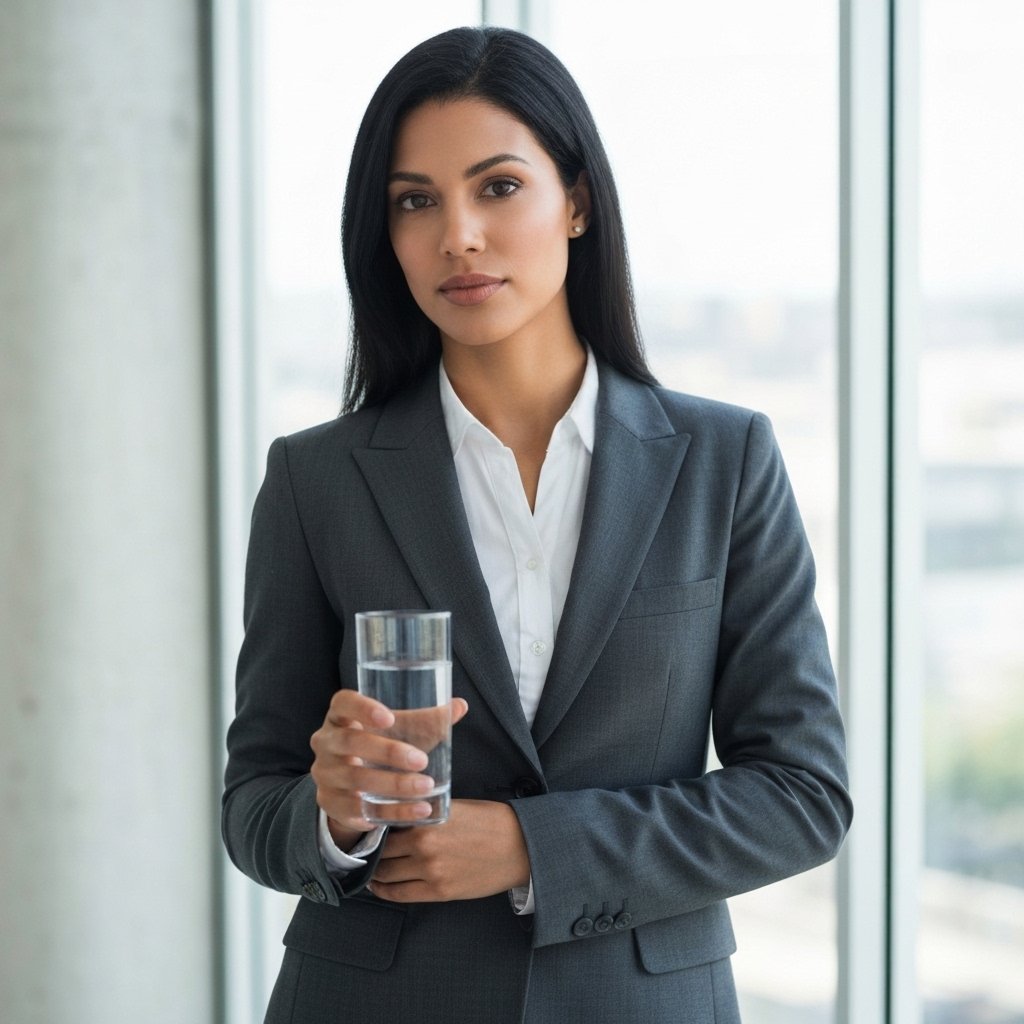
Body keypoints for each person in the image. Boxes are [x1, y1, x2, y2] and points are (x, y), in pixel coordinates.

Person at [222, 25, 852, 1024]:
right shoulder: (316, 479)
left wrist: (529, 846)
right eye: (414, 201)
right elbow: (255, 806)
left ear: (577, 203)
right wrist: (332, 811)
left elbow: (803, 795)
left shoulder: (722, 461)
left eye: (497, 187)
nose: (456, 234)